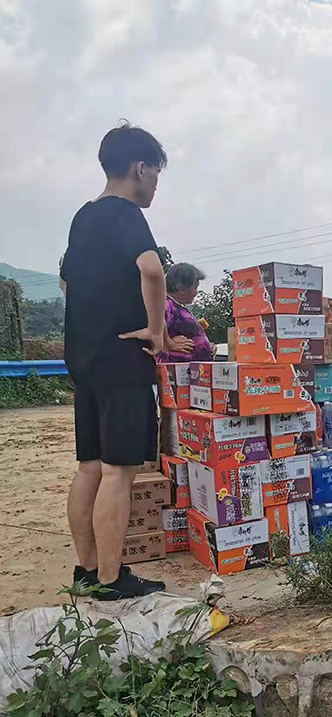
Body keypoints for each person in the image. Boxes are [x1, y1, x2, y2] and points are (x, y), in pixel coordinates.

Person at [60, 121, 168, 600]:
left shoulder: (83, 217)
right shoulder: (127, 214)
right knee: (118, 471)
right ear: (139, 168)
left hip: (83, 355)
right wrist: (156, 330)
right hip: (123, 356)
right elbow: (152, 269)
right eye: (156, 174)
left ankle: (86, 571)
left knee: (89, 466)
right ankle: (110, 579)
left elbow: (66, 280)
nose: (155, 185)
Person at [157, 262, 216, 363]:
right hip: (178, 372)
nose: (196, 292)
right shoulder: (167, 305)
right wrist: (169, 343)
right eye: (195, 288)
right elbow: (155, 323)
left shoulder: (180, 307)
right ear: (181, 289)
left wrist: (206, 346)